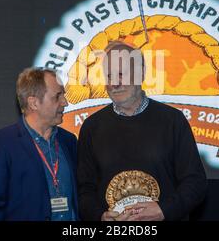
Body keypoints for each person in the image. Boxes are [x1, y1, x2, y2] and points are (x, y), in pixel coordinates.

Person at [77, 41, 207, 221]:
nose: (114, 83)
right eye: (109, 76)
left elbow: (195, 182)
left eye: (121, 74)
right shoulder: (91, 127)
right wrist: (99, 216)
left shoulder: (173, 121)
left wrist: (164, 211)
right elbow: (84, 188)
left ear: (141, 74)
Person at [0, 67, 78, 220]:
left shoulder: (68, 141)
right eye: (57, 96)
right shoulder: (2, 143)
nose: (65, 102)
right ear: (34, 103)